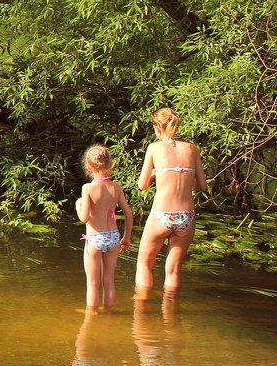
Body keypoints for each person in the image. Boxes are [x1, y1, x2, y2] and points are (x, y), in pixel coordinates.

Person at [135, 107, 206, 294]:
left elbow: (142, 185)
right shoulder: (192, 149)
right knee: (173, 271)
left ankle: (141, 312)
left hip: (161, 215)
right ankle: (170, 315)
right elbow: (202, 186)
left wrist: (154, 174)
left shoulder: (154, 148)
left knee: (144, 262)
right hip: (186, 216)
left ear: (158, 127)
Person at [75, 144, 133, 311]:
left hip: (95, 239)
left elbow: (84, 218)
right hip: (113, 237)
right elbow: (129, 215)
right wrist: (126, 238)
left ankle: (92, 318)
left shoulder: (88, 188)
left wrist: (78, 205)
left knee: (93, 284)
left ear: (88, 166)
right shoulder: (116, 188)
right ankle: (108, 315)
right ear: (110, 164)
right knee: (109, 281)